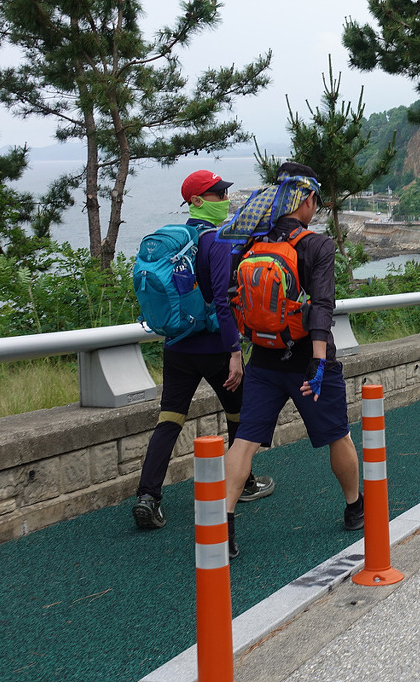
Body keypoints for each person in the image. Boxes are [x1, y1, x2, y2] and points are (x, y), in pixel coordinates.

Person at [218, 162, 362, 559]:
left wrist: (238, 350)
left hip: (263, 359)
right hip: (307, 364)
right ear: (308, 199)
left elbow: (230, 299)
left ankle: (223, 526)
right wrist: (318, 363)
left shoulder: (251, 242)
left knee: (244, 442)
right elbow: (322, 307)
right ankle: (354, 508)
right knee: (338, 435)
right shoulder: (317, 245)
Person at [132, 170, 274, 530]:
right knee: (240, 414)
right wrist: (235, 352)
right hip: (214, 347)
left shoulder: (177, 243)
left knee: (169, 420)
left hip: (177, 346)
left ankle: (148, 496)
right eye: (217, 194)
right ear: (196, 201)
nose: (224, 199)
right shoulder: (216, 241)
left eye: (224, 192)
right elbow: (224, 303)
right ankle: (244, 482)